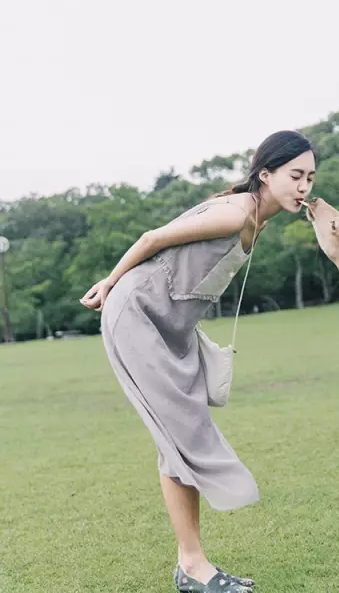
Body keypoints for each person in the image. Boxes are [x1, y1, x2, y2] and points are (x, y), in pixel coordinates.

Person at [80, 130, 316, 593]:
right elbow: (153, 237)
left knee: (181, 434)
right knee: (181, 434)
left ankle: (190, 565)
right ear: (265, 175)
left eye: (310, 177)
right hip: (140, 316)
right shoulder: (235, 212)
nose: (305, 186)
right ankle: (192, 567)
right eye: (295, 175)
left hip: (174, 326)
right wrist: (108, 283)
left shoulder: (255, 218)